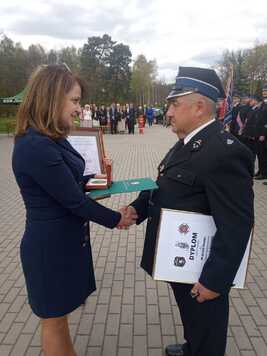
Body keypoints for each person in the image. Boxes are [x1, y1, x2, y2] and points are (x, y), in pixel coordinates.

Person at [122, 67, 254, 356]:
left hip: (202, 266)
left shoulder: (225, 151)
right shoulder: (187, 142)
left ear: (199, 107)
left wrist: (214, 280)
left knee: (207, 322)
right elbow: (164, 183)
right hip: (181, 260)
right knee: (192, 316)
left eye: (174, 104)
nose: (167, 112)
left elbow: (237, 224)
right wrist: (136, 209)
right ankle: (193, 345)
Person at [12, 64, 136, 356]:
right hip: (49, 249)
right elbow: (74, 201)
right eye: (75, 100)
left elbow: (73, 182)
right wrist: (118, 218)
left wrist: (104, 179)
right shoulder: (35, 145)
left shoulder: (52, 138)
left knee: (60, 317)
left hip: (64, 243)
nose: (79, 108)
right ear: (52, 98)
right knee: (53, 322)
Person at [256, 84, 267, 182]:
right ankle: (261, 171)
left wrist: (263, 133)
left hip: (264, 134)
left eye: (266, 91)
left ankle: (264, 173)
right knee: (260, 153)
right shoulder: (263, 103)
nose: (264, 92)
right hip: (259, 132)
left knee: (264, 154)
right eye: (263, 91)